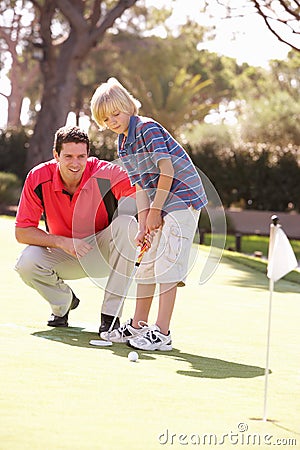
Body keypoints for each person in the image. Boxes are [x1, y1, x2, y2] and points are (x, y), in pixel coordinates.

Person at [90, 78, 208, 351]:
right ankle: (138, 325)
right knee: (147, 264)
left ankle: (162, 332)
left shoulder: (147, 128)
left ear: (129, 106)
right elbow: (141, 185)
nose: (113, 121)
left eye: (116, 114)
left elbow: (167, 172)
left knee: (167, 265)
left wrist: (156, 212)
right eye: (106, 119)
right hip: (159, 203)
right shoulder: (123, 143)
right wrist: (144, 223)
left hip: (182, 200)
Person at [14, 125, 139, 335]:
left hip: (104, 254)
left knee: (127, 224)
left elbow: (140, 198)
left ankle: (110, 317)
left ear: (88, 155)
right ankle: (63, 303)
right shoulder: (38, 177)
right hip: (65, 253)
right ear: (56, 155)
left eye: (81, 156)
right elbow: (23, 231)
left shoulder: (106, 173)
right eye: (69, 156)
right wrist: (63, 242)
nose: (75, 163)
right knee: (25, 263)